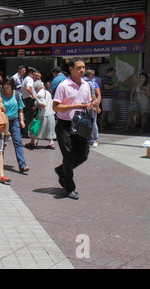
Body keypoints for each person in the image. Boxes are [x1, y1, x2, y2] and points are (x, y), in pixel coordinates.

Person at [53, 57, 96, 200]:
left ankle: (62, 170)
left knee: (83, 155)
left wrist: (93, 106)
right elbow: (55, 106)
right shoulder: (63, 85)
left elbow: (88, 102)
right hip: (65, 125)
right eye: (79, 68)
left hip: (81, 123)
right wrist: (75, 106)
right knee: (69, 156)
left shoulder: (86, 85)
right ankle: (69, 187)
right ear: (71, 69)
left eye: (83, 67)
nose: (82, 70)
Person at [0, 76, 29, 173]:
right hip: (3, 122)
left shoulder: (17, 95)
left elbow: (20, 109)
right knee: (1, 144)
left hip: (14, 121)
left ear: (12, 85)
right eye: (5, 84)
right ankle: (0, 164)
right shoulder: (0, 96)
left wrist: (22, 121)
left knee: (18, 142)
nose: (6, 86)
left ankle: (22, 165)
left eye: (8, 84)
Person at [26, 80, 56, 149]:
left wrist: (36, 107)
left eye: (34, 88)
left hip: (42, 114)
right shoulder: (47, 92)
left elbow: (43, 105)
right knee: (49, 129)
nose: (34, 90)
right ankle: (51, 143)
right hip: (50, 113)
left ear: (37, 88)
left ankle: (32, 142)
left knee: (34, 127)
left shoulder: (39, 94)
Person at [84, 69, 101, 147]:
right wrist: (97, 105)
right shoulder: (92, 83)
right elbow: (97, 95)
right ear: (91, 76)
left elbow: (96, 95)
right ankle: (94, 139)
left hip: (87, 105)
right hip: (90, 105)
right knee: (92, 123)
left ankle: (92, 139)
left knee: (90, 122)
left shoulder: (86, 83)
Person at [20, 67, 37, 137]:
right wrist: (33, 95)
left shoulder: (25, 79)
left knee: (26, 116)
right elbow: (28, 88)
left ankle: (24, 131)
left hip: (25, 99)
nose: (34, 76)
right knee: (30, 116)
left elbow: (22, 89)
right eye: (33, 74)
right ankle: (25, 131)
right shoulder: (30, 79)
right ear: (30, 73)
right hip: (29, 99)